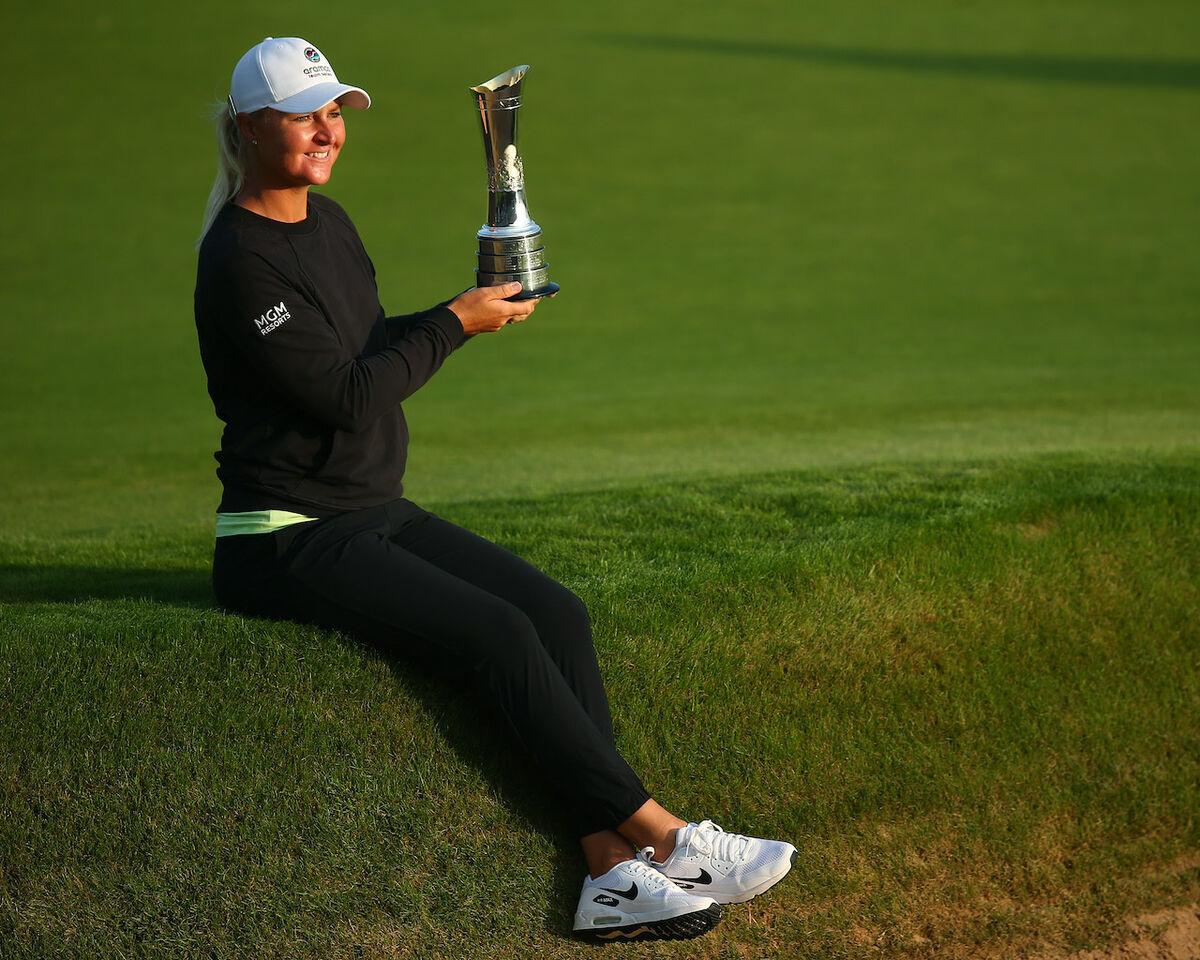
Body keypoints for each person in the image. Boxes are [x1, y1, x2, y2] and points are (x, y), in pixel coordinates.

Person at [194, 36, 796, 943]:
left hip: (366, 509)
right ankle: (666, 838)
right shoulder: (241, 258)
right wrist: (453, 323)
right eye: (304, 112)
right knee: (498, 634)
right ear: (248, 127)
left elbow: (360, 346)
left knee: (555, 613)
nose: (326, 129)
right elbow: (346, 396)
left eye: (333, 111)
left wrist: (470, 308)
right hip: (283, 536)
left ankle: (609, 877)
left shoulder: (329, 223)